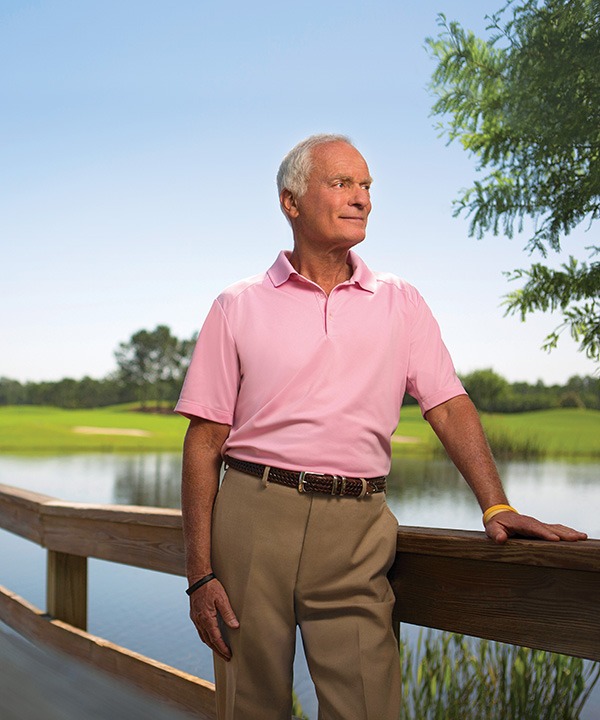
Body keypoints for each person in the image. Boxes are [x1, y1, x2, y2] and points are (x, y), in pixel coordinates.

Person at [175, 134, 587, 720]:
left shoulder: (401, 301)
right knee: (252, 706)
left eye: (366, 185)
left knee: (367, 705)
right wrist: (199, 575)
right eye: (341, 183)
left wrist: (496, 506)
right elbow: (204, 440)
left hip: (358, 528)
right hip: (251, 519)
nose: (361, 198)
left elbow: (446, 403)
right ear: (291, 202)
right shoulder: (236, 305)